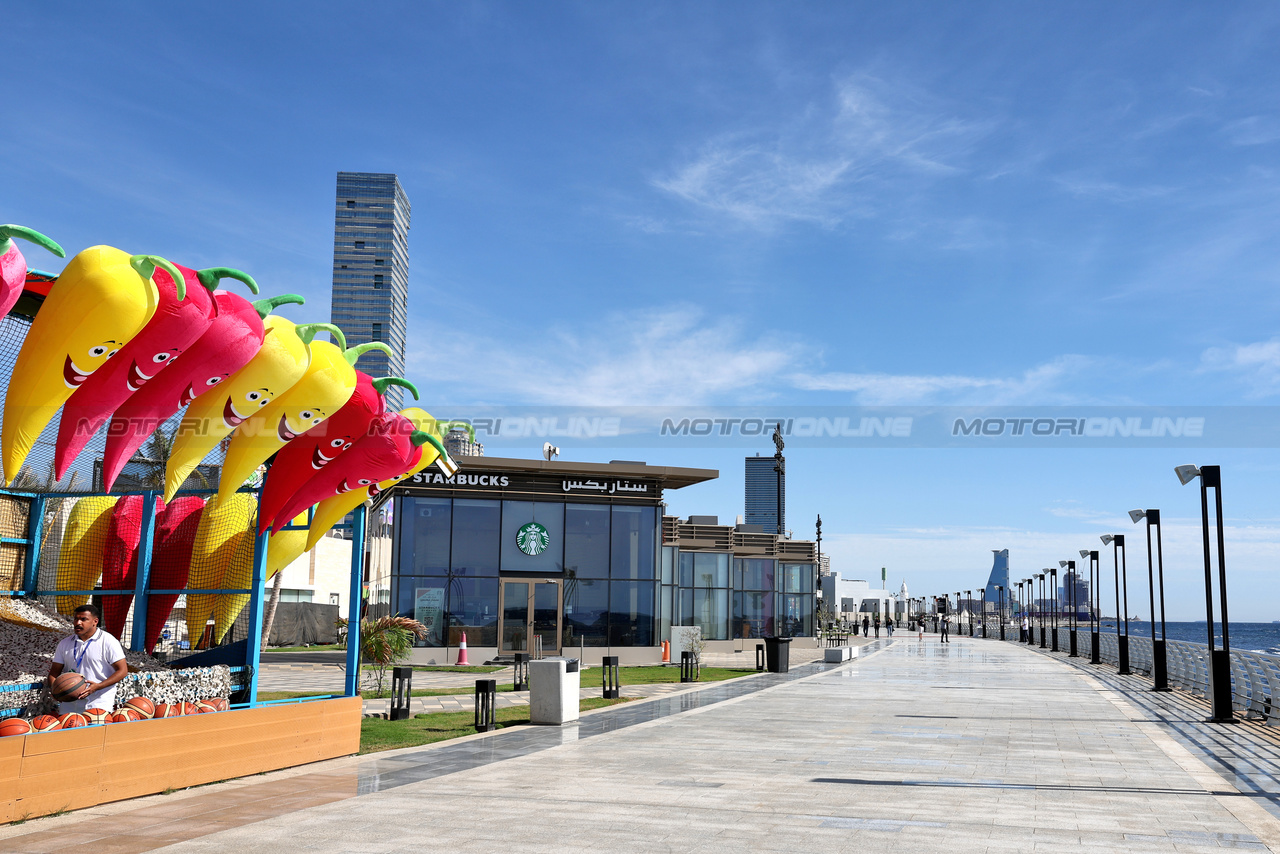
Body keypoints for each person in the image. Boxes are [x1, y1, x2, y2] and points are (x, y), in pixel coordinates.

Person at [47, 604, 128, 714]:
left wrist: (98, 687)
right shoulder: (64, 643)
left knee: (94, 731)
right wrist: (55, 690)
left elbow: (123, 671)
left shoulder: (108, 641)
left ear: (95, 621)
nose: (78, 623)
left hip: (98, 703)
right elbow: (54, 673)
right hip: (69, 704)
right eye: (76, 619)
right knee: (69, 731)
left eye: (83, 619)